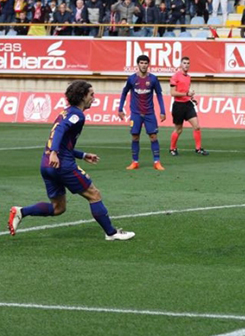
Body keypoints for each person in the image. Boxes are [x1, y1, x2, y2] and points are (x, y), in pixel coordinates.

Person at [8, 80, 135, 241]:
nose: (94, 99)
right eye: (91, 95)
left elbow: (62, 140)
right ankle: (111, 233)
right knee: (94, 195)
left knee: (58, 208)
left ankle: (21, 212)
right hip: (62, 165)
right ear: (82, 96)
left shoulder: (65, 112)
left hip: (46, 164)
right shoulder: (77, 115)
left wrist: (82, 155)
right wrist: (55, 152)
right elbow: (61, 130)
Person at [118, 55, 166, 171]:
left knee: (153, 136)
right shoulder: (132, 79)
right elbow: (124, 93)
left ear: (148, 65)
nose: (143, 65)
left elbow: (159, 94)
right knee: (135, 136)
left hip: (149, 113)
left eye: (145, 63)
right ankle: (135, 162)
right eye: (141, 63)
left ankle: (157, 162)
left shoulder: (153, 79)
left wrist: (163, 111)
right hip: (135, 113)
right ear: (138, 64)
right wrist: (120, 109)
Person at [169, 56, 209, 156]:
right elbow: (173, 93)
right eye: (184, 63)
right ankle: (172, 148)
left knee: (197, 127)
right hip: (178, 105)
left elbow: (187, 91)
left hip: (187, 105)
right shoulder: (175, 76)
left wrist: (192, 99)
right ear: (181, 64)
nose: (186, 65)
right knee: (179, 129)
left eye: (188, 63)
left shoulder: (188, 77)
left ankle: (198, 148)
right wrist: (186, 94)